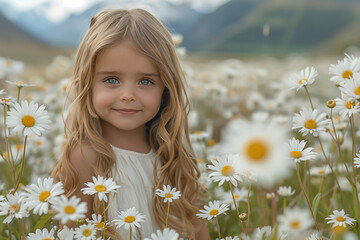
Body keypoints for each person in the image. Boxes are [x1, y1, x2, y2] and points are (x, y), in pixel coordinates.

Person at [52, 8, 210, 240]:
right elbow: (70, 233)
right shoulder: (85, 156)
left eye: (145, 81)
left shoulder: (171, 157)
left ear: (166, 89)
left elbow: (198, 229)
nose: (128, 94)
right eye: (111, 80)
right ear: (88, 83)